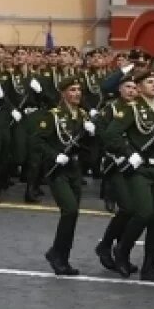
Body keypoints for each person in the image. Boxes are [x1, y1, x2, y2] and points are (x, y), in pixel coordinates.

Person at [36, 75, 94, 275]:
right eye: (72, 90)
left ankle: (62, 257)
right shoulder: (53, 115)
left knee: (72, 214)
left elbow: (87, 147)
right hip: (58, 170)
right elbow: (39, 141)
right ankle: (56, 253)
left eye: (79, 90)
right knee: (69, 210)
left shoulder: (83, 116)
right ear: (63, 93)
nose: (76, 93)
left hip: (74, 170)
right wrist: (55, 156)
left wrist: (92, 134)